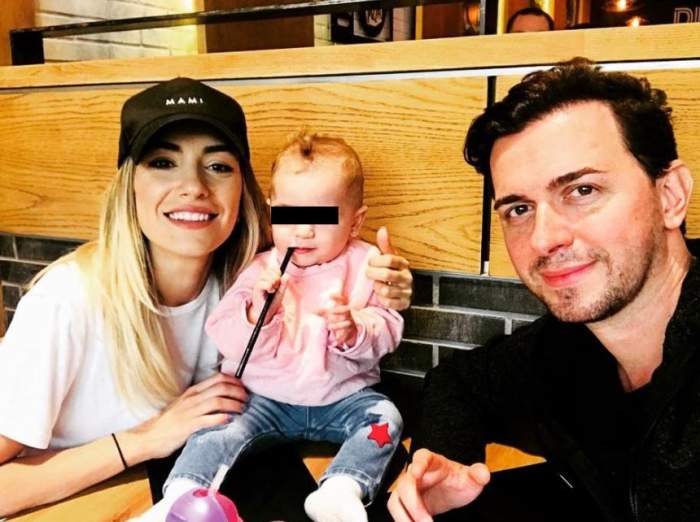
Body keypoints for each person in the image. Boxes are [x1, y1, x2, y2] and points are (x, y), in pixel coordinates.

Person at [0, 77, 414, 518]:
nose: (194, 186)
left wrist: (386, 295)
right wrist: (145, 439)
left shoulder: (240, 281)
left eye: (217, 166)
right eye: (163, 162)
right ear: (129, 186)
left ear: (243, 191)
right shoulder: (66, 301)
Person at [388, 58, 698, 521]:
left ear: (670, 196)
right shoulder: (569, 344)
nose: (543, 239)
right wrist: (447, 463)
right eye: (519, 209)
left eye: (583, 191)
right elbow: (460, 383)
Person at [140, 131, 404, 522]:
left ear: (354, 221)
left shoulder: (367, 265)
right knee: (217, 429)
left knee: (386, 419)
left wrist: (355, 329)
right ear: (271, 212)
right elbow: (224, 333)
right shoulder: (260, 268)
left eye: (322, 216)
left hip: (343, 396)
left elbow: (389, 329)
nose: (303, 230)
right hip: (264, 399)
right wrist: (257, 314)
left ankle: (341, 487)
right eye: (288, 214)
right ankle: (180, 495)